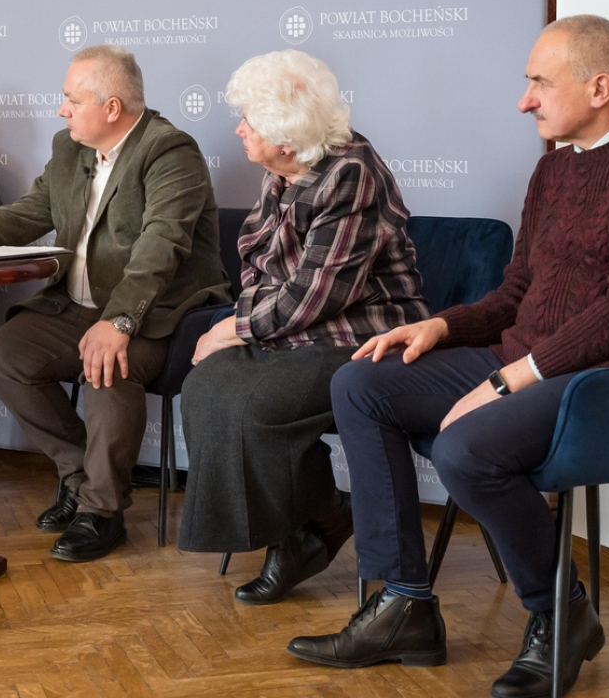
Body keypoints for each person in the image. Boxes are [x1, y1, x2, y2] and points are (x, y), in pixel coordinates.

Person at [287, 15, 609, 698]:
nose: (524, 99)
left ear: (599, 87)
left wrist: (510, 379)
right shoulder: (556, 164)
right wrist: (441, 325)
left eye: (538, 83)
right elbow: (519, 292)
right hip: (537, 362)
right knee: (361, 384)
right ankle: (405, 603)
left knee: (466, 449)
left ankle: (561, 615)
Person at [0, 45, 232, 563]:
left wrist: (119, 320)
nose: (62, 109)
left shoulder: (169, 152)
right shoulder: (70, 148)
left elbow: (160, 247)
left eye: (72, 99)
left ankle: (102, 511)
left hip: (160, 316)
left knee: (104, 366)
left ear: (111, 108)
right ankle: (79, 474)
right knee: (6, 357)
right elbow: (34, 210)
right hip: (75, 305)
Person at [178, 49, 430, 605]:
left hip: (365, 335)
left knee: (252, 406)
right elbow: (262, 266)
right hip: (299, 330)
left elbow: (317, 293)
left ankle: (308, 531)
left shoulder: (352, 172)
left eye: (249, 121)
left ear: (287, 138)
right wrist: (242, 325)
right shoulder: (283, 170)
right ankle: (316, 520)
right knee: (204, 388)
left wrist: (230, 329)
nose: (239, 129)